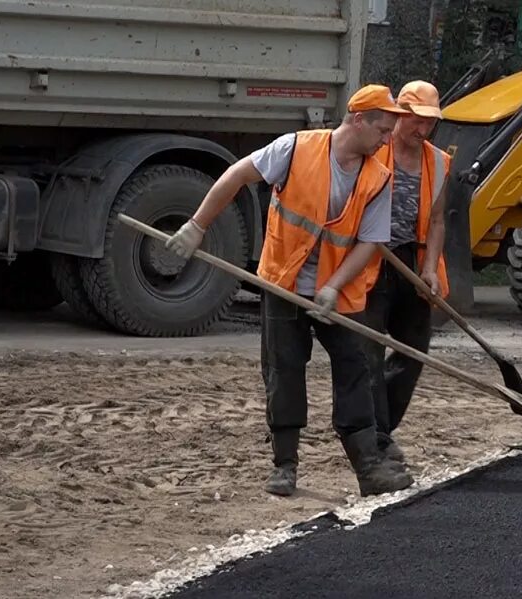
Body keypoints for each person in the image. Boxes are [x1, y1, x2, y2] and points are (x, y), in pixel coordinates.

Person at [165, 84, 415, 497]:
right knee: (283, 370)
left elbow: (371, 241)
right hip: (284, 281)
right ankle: (285, 466)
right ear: (357, 120)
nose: (389, 139)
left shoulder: (377, 177)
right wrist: (197, 225)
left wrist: (333, 287)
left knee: (356, 371)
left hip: (337, 293)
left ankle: (369, 469)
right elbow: (237, 175)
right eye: (383, 130)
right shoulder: (295, 149)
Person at [362, 80, 451, 468]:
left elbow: (436, 220)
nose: (422, 130)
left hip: (410, 261)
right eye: (416, 121)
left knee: (413, 349)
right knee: (368, 348)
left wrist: (430, 268)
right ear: (401, 115)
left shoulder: (438, 161)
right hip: (370, 258)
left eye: (429, 124)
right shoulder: (375, 150)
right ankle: (376, 437)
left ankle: (383, 426)